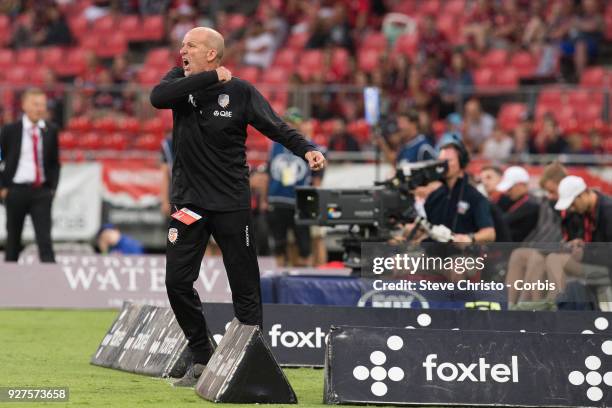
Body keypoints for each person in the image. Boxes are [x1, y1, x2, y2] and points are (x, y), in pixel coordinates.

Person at [150, 27, 326, 384]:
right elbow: (157, 97)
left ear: (212, 53)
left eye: (191, 45)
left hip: (231, 203)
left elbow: (275, 126)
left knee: (245, 286)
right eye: (182, 44)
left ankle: (248, 363)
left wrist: (306, 148)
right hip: (189, 204)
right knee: (176, 282)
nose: (182, 50)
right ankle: (202, 353)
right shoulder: (177, 83)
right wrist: (209, 78)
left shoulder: (240, 91)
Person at [0, 88, 60, 263]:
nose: (39, 108)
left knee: (45, 241)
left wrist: (52, 188)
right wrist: (2, 187)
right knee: (13, 241)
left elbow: (55, 162)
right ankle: (8, 285)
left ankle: (51, 283)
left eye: (42, 105)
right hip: (15, 191)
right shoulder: (10, 130)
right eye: (35, 104)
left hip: (41, 192)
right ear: (24, 105)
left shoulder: (51, 130)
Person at [263, 107, 323, 267]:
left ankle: (306, 282)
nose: (291, 126)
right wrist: (265, 199)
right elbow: (269, 173)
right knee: (279, 246)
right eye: (288, 122)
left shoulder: (311, 147)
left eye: (295, 123)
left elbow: (317, 179)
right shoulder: (275, 145)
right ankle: (280, 281)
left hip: (299, 202)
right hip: (277, 199)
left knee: (304, 246)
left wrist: (312, 207)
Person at [544, 175, 612, 299]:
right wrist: (579, 243)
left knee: (555, 260)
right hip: (596, 263)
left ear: (583, 194)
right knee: (550, 259)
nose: (571, 208)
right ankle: (555, 306)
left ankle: (556, 307)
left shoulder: (608, 211)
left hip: (607, 269)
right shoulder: (586, 210)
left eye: (573, 203)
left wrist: (585, 254)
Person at [423, 133, 495, 245]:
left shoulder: (474, 197)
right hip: (433, 254)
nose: (444, 165)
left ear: (461, 162)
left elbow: (489, 233)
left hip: (463, 256)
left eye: (449, 161)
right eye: (441, 161)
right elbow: (427, 230)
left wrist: (469, 238)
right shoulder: (434, 196)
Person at [495, 166, 540, 243]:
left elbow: (503, 221)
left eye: (510, 189)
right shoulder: (515, 201)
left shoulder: (531, 204)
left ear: (520, 185)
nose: (507, 193)